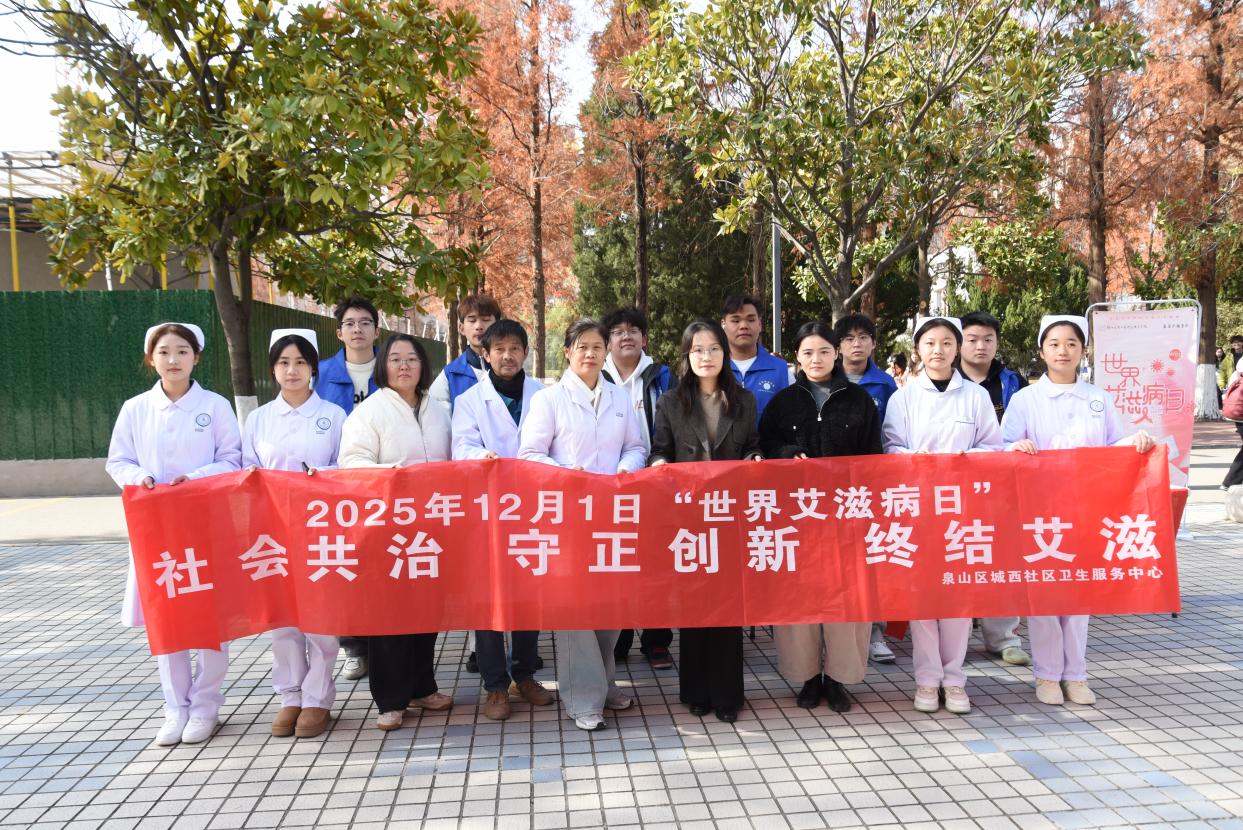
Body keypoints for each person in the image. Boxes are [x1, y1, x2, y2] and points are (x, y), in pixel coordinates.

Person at [1003, 315, 1155, 706]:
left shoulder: (1098, 398)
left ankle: (1076, 674)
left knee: (1079, 595)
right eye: (1054, 344)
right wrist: (1015, 448)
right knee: (1045, 595)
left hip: (1086, 508)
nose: (1063, 351)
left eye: (1071, 344)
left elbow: (1114, 445)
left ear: (1082, 350)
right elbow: (1004, 448)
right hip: (1039, 511)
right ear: (1042, 351)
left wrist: (1135, 441)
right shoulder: (1025, 400)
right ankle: (1047, 674)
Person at [106, 322, 241, 746]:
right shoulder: (135, 409)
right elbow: (118, 461)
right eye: (164, 352)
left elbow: (232, 459)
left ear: (196, 357)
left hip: (204, 525)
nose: (173, 359)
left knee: (209, 619)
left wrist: (195, 478)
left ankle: (205, 706)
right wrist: (141, 477)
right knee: (165, 618)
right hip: (156, 530)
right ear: (151, 360)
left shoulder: (215, 406)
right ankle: (175, 708)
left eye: (182, 351)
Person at [518, 319, 647, 731]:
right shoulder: (549, 400)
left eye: (597, 346)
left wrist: (624, 471)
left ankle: (604, 684)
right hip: (568, 519)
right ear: (568, 352)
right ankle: (582, 699)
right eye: (582, 346)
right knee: (576, 613)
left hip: (612, 516)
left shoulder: (620, 398)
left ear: (606, 352)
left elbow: (636, 447)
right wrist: (564, 474)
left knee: (609, 608)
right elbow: (530, 454)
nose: (590, 354)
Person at [882, 316, 1003, 715]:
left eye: (947, 342)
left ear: (957, 348)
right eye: (930, 343)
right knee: (922, 599)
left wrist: (966, 458)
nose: (938, 350)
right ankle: (926, 679)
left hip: (962, 510)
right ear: (918, 349)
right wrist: (911, 457)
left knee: (956, 598)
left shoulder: (975, 397)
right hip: (916, 509)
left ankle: (954, 680)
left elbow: (993, 446)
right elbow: (890, 447)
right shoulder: (903, 398)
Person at [759, 321, 882, 713]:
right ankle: (808, 677)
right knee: (799, 600)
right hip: (797, 517)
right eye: (808, 352)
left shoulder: (859, 401)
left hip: (847, 515)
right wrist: (786, 453)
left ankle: (839, 678)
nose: (816, 359)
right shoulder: (783, 402)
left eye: (824, 351)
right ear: (797, 356)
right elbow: (766, 446)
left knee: (847, 599)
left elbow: (874, 457)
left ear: (837, 353)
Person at [337, 334, 454, 731]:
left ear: (424, 365)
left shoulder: (438, 411)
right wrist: (394, 475)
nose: (404, 366)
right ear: (383, 366)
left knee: (426, 611)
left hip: (432, 526)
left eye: (412, 359)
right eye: (395, 359)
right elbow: (352, 463)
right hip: (387, 530)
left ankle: (423, 687)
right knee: (388, 618)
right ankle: (390, 699)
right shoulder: (368, 412)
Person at [649, 321, 762, 723]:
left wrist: (755, 460)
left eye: (713, 348)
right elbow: (659, 449)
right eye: (697, 350)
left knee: (728, 606)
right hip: (688, 516)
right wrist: (659, 464)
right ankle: (696, 691)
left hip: (730, 514)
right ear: (687, 355)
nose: (706, 357)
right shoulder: (671, 402)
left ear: (724, 353)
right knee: (694, 605)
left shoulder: (744, 400)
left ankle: (728, 695)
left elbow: (752, 446)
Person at [242, 330, 346, 739]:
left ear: (313, 368)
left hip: (319, 529)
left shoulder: (333, 416)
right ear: (273, 369)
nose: (292, 370)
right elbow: (244, 468)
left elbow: (346, 467)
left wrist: (320, 476)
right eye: (283, 363)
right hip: (272, 532)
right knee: (283, 619)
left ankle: (317, 697)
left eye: (300, 362)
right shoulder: (259, 419)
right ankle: (290, 695)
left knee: (319, 618)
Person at [451, 319, 556, 721]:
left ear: (526, 352)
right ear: (486, 354)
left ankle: (524, 675)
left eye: (515, 348)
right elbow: (461, 447)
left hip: (533, 510)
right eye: (499, 349)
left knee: (529, 595)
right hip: (488, 511)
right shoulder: (470, 400)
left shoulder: (544, 395)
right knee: (489, 598)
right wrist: (482, 457)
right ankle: (495, 685)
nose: (507, 356)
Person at [958, 310, 1031, 669]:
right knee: (957, 553)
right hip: (954, 486)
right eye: (972, 339)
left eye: (988, 339)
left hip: (1003, 484)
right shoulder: (945, 381)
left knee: (1000, 556)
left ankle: (1004, 637)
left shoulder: (1012, 381)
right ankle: (953, 638)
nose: (980, 346)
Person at [601, 307, 674, 669]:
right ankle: (619, 638)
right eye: (617, 331)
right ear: (607, 341)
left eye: (633, 330)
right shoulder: (596, 376)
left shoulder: (662, 376)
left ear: (644, 338)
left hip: (655, 481)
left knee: (657, 563)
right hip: (608, 484)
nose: (626, 336)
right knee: (617, 561)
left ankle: (657, 640)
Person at [317, 296, 380, 681]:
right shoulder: (320, 373)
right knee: (344, 566)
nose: (358, 329)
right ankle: (354, 647)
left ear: (377, 330)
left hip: (383, 484)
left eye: (365, 322)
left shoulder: (393, 367)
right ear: (339, 332)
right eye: (350, 323)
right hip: (337, 487)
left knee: (382, 564)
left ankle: (385, 642)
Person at [833, 313, 901, 666]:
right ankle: (838, 631)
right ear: (838, 346)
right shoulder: (827, 378)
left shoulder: (885, 385)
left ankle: (875, 632)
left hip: (874, 485)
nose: (856, 344)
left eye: (863, 337)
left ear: (874, 343)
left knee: (872, 558)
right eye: (848, 338)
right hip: (831, 489)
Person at [721, 294, 791, 418]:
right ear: (723, 324)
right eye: (736, 321)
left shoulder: (781, 370)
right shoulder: (714, 369)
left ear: (760, 324)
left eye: (751, 320)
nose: (743, 326)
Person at [430, 293, 501, 412]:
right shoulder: (450, 375)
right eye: (472, 320)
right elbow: (437, 418)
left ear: (498, 325)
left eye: (486, 320)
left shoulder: (510, 369)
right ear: (461, 328)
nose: (479, 326)